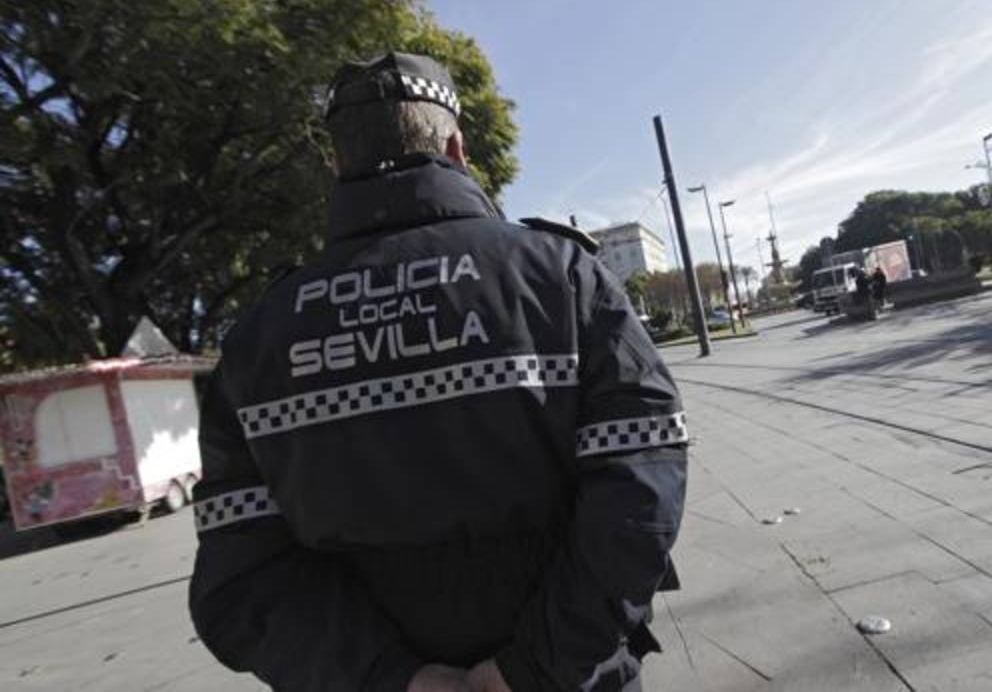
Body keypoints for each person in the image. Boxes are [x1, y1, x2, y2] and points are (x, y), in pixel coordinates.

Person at [189, 52, 688, 692]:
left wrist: (397, 678)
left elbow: (242, 575)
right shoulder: (563, 280)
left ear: (337, 165)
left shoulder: (258, 340)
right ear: (456, 146)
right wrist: (531, 665)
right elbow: (643, 483)